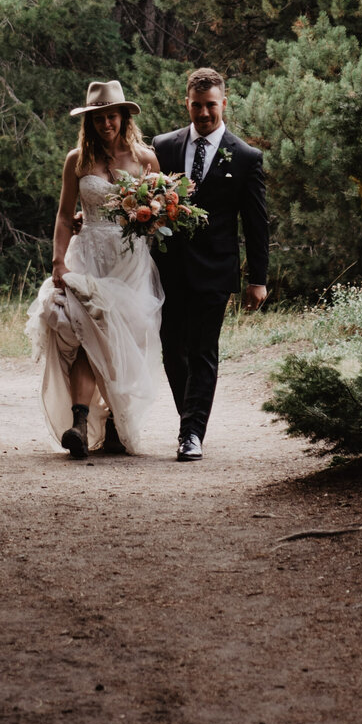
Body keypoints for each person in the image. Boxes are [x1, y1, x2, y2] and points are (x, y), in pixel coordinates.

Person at [26, 80, 165, 459]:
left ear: (123, 117)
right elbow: (62, 214)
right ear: (89, 122)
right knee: (89, 336)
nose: (107, 123)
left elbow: (160, 210)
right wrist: (58, 259)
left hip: (129, 261)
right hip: (87, 256)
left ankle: (117, 426)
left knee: (120, 343)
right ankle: (79, 425)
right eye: (99, 118)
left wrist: (149, 219)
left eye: (112, 116)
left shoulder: (145, 159)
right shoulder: (77, 160)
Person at [151, 67, 269, 461]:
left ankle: (191, 433)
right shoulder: (163, 146)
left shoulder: (247, 157)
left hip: (215, 270)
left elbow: (256, 224)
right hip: (168, 269)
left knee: (203, 350)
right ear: (187, 103)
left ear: (224, 102)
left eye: (211, 106)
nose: (204, 114)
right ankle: (190, 418)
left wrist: (258, 279)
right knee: (172, 350)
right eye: (197, 106)